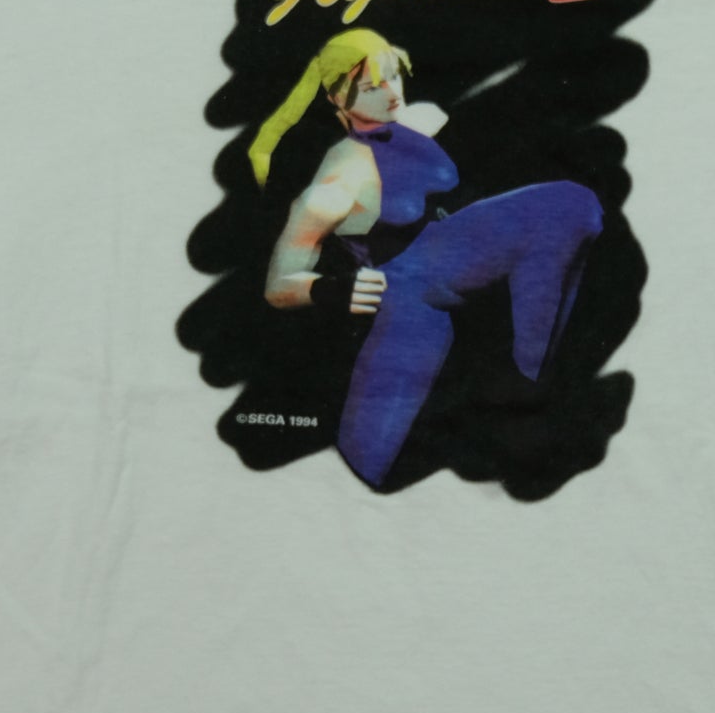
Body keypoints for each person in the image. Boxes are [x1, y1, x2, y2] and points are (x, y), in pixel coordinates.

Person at [251, 27, 604, 487]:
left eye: (394, 77)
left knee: (573, 206)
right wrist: (331, 290)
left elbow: (428, 119)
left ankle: (527, 386)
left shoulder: (414, 118)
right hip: (404, 287)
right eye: (372, 87)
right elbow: (278, 284)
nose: (391, 93)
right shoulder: (338, 179)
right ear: (338, 99)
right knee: (369, 451)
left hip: (453, 247)